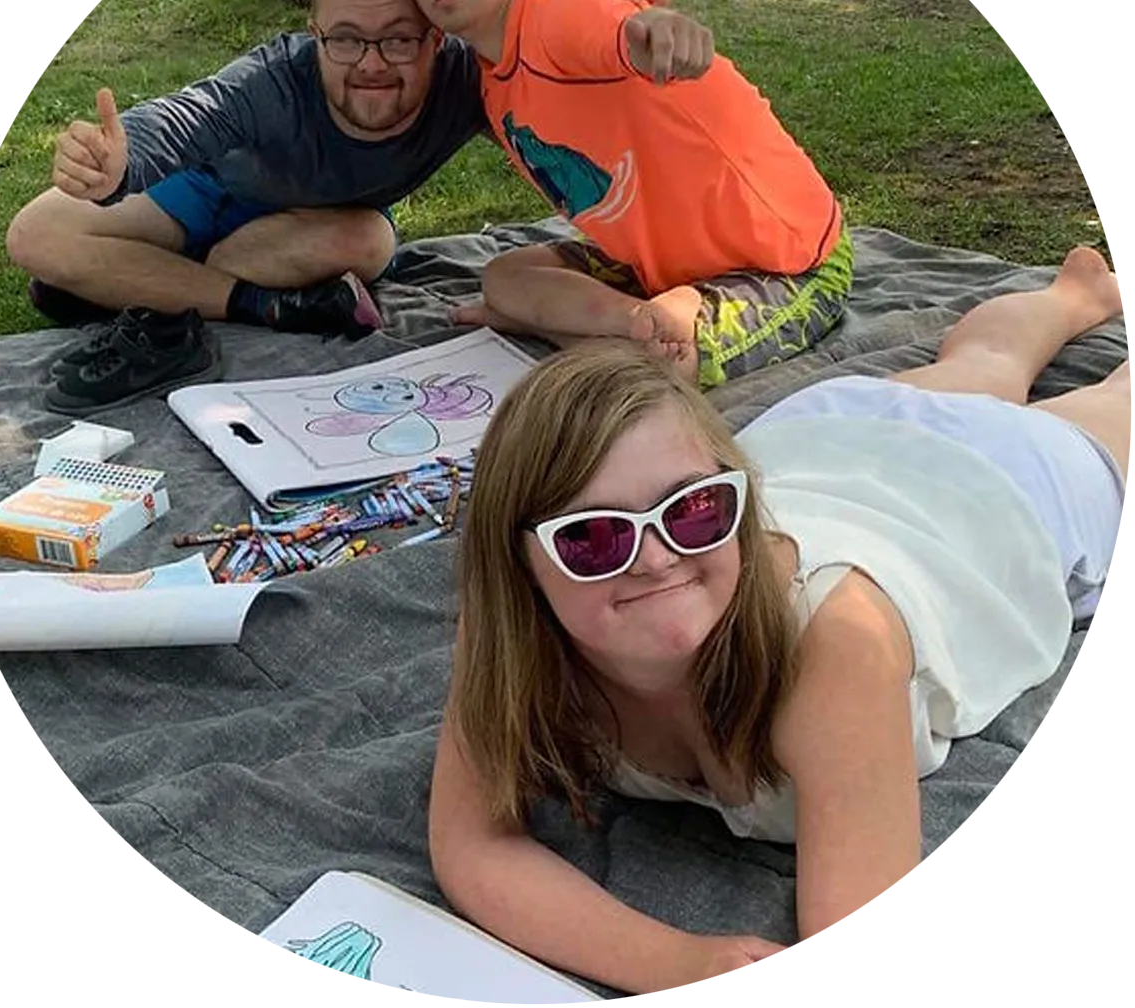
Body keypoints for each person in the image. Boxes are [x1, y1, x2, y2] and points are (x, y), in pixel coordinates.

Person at [431, 246, 1128, 995]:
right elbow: (471, 842)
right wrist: (673, 962)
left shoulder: (834, 643)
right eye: (593, 538)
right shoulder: (513, 633)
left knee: (1106, 405)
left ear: (735, 496)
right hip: (821, 436)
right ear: (520, 564)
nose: (656, 559)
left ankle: (1072, 301)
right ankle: (1072, 296)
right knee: (981, 366)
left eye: (694, 510)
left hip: (986, 492)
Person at [5, 0, 708, 410]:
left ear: (435, 38)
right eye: (344, 39)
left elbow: (558, 76)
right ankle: (251, 302)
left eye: (398, 40)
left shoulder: (468, 80)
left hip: (311, 233)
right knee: (36, 234)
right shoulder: (272, 82)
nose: (370, 64)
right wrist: (119, 159)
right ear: (314, 34)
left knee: (369, 242)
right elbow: (186, 116)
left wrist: (618, 27)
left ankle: (146, 287)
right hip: (204, 194)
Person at [387, 0, 855, 389]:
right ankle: (633, 324)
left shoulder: (555, 13)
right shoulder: (489, 72)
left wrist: (655, 29)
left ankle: (604, 335)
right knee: (505, 278)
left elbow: (611, 28)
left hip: (786, 263)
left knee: (662, 370)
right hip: (656, 277)